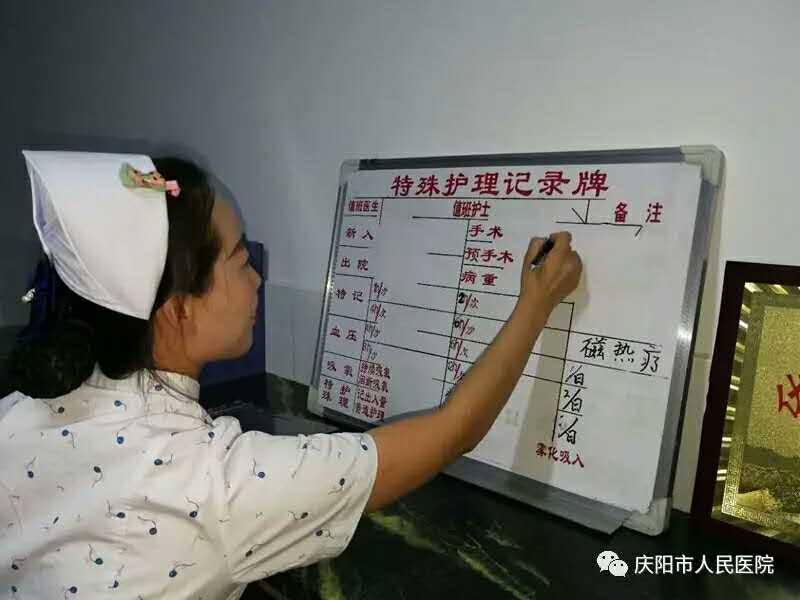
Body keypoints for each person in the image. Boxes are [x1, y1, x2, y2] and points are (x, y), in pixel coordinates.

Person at [0, 151, 581, 599]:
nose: (257, 279)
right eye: (240, 260)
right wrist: (536, 303)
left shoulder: (20, 412)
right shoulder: (215, 485)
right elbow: (454, 430)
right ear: (178, 309)